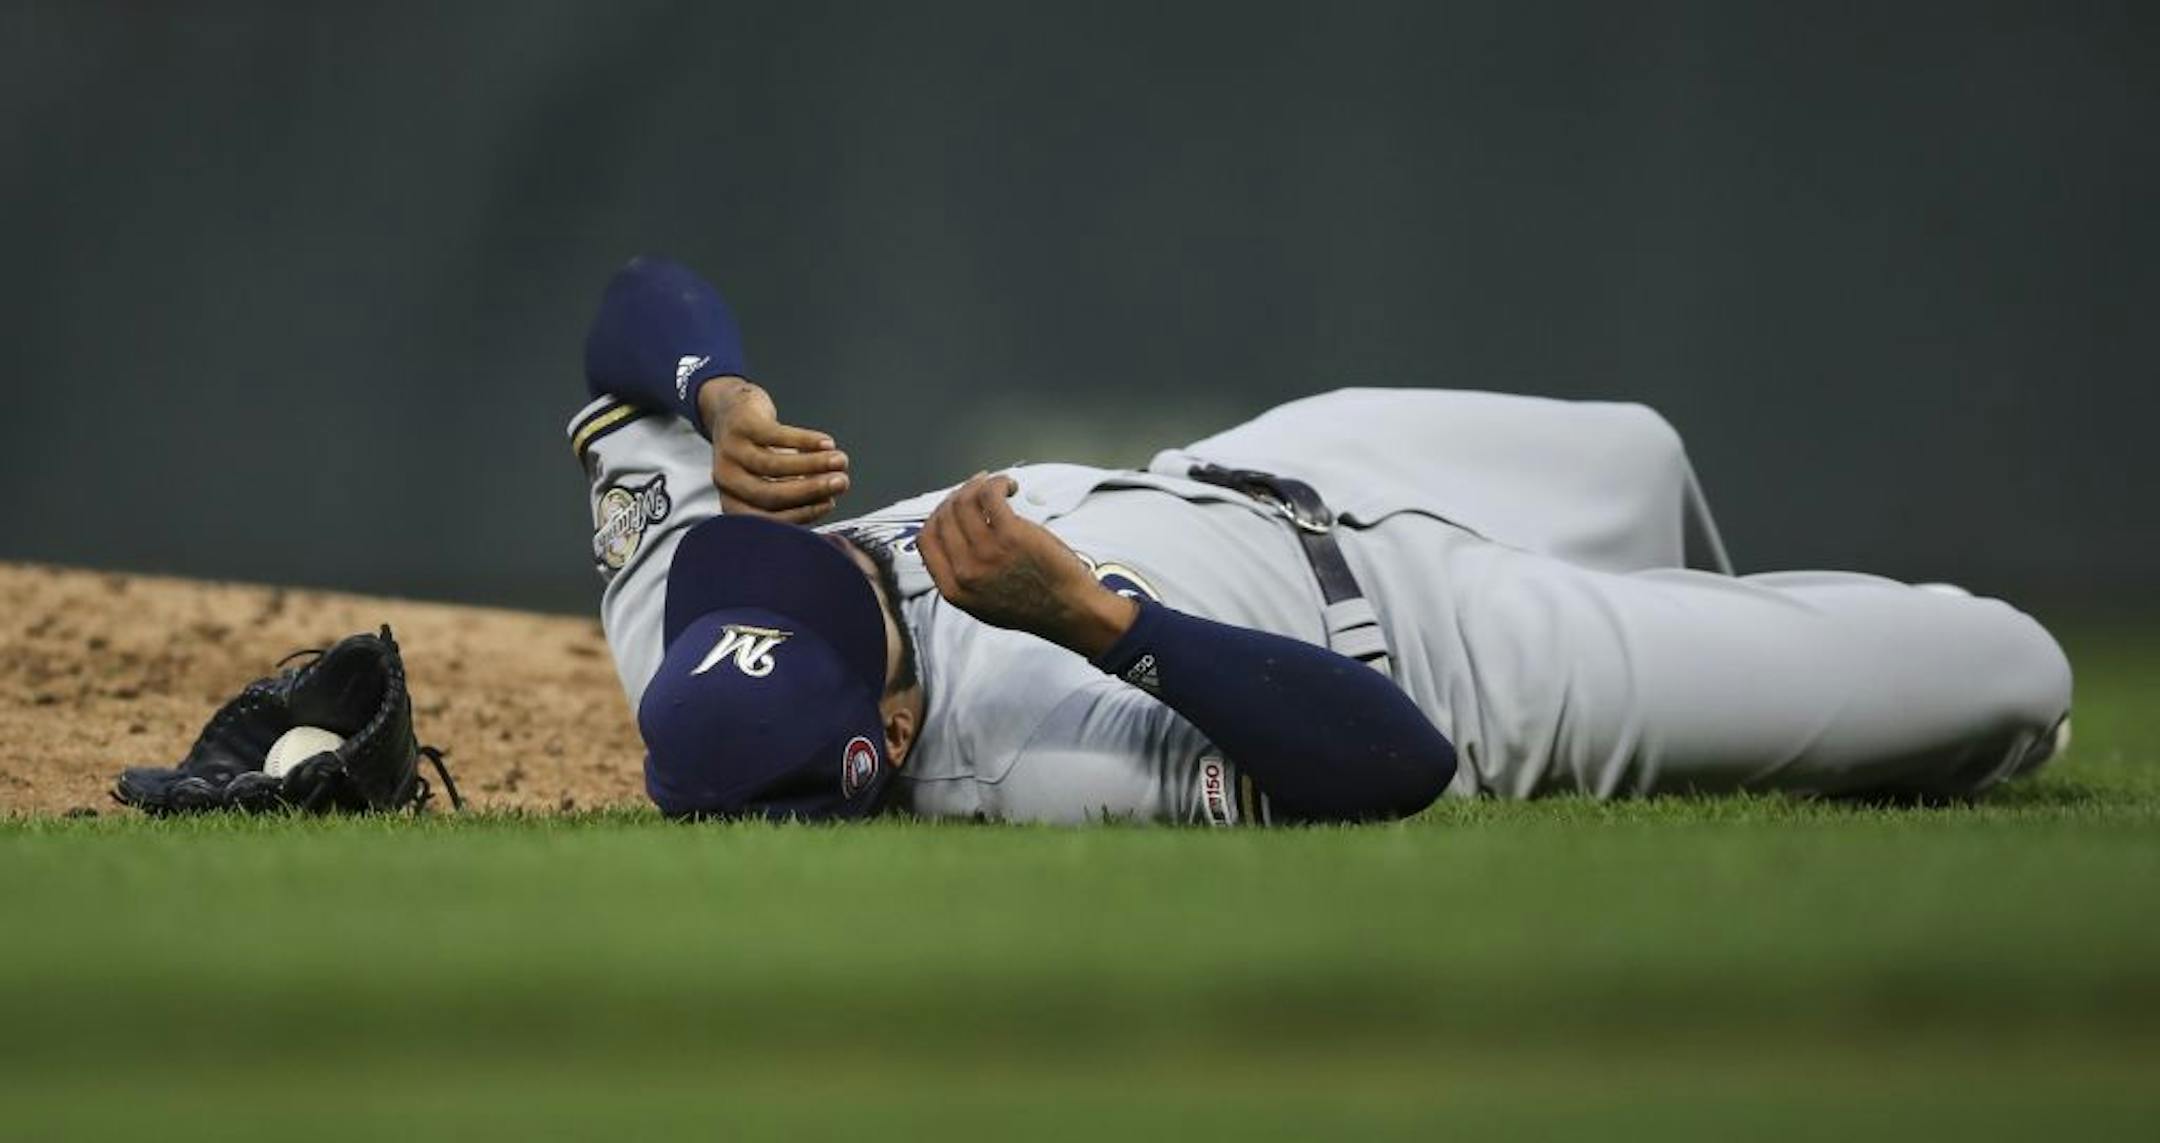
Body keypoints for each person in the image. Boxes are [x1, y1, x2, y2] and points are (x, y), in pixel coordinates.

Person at [568, 256, 2072, 824]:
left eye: (805, 575)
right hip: (1445, 651)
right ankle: (1774, 690)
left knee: (1645, 451)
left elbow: (634, 305)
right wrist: (1104, 621)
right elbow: (1398, 762)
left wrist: (716, 390)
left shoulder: (687, 624)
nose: (826, 565)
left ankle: (1737, 642)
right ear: (886, 738)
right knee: (1999, 677)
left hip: (1293, 464)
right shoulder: (1032, 759)